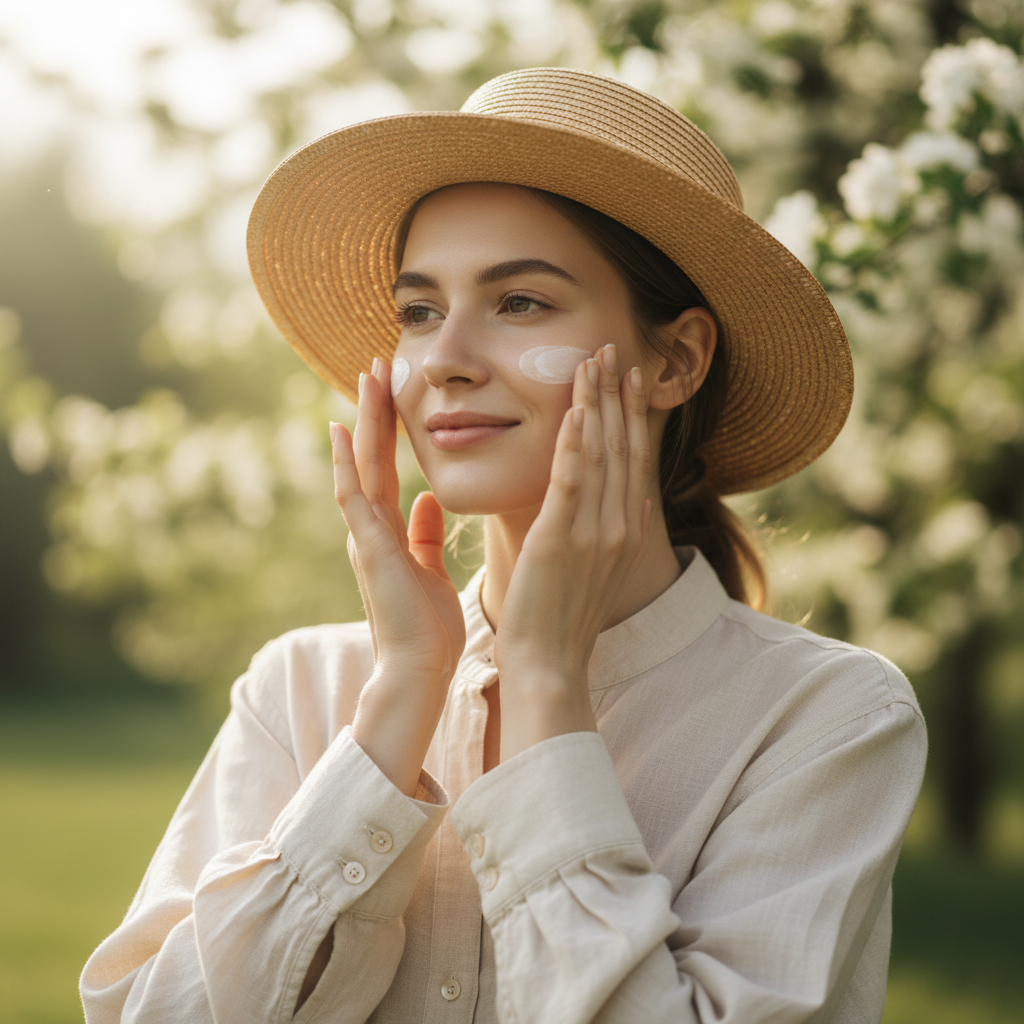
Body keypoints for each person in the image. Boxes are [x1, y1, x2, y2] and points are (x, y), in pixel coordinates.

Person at [81, 67, 927, 1024]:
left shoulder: (826, 718)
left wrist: (545, 688)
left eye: (521, 301)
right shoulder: (301, 689)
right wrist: (402, 688)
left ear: (676, 359)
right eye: (419, 311)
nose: (444, 359)